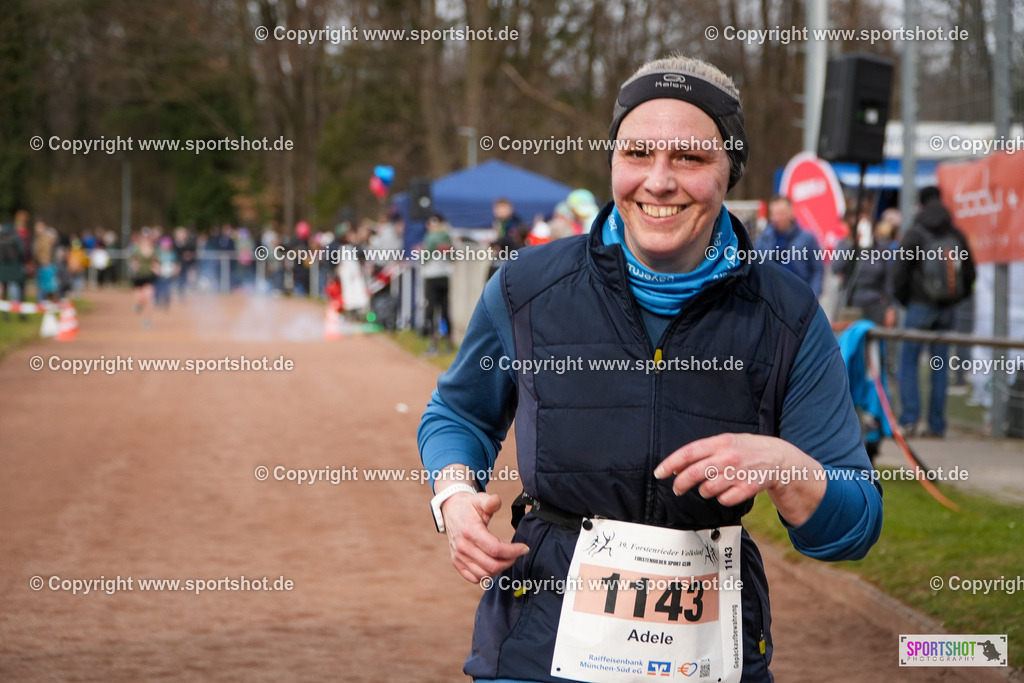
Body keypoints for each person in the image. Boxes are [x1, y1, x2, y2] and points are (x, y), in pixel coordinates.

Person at [418, 54, 882, 682]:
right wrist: (453, 494)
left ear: (729, 170)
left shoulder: (788, 315)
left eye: (689, 158)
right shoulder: (526, 288)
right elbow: (459, 412)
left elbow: (853, 525)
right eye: (637, 154)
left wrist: (786, 465)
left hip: (710, 658)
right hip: (537, 651)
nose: (658, 182)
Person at [893, 186, 976, 438]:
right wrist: (955, 299)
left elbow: (900, 271)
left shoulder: (916, 233)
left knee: (907, 362)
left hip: (919, 306)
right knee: (940, 366)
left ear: (920, 204)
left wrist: (906, 300)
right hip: (947, 309)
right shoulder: (956, 233)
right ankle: (937, 424)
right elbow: (970, 273)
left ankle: (909, 420)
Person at [754, 195, 824, 296]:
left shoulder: (808, 238)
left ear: (791, 213)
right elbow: (756, 268)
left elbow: (818, 269)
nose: (777, 218)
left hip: (800, 295)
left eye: (781, 214)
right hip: (773, 296)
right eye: (774, 214)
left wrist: (813, 295)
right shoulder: (764, 239)